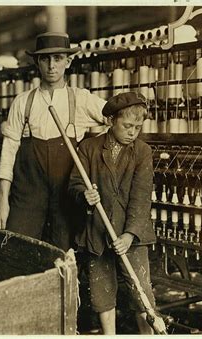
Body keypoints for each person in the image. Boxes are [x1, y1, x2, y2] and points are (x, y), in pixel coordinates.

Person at [0, 32, 107, 251]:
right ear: (37, 62)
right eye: (45, 59)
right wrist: (2, 201)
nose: (52, 65)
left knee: (64, 253)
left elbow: (116, 115)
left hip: (66, 195)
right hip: (28, 193)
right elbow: (8, 152)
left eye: (57, 58)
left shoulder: (80, 99)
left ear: (68, 61)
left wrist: (93, 151)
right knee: (17, 246)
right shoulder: (22, 102)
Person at [68, 92, 158, 334]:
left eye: (137, 127)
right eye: (127, 126)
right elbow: (75, 184)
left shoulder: (142, 152)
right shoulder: (89, 147)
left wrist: (130, 235)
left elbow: (141, 199)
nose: (132, 132)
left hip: (133, 236)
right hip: (97, 231)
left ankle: (148, 334)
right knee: (102, 292)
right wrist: (84, 196)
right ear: (111, 121)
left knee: (141, 292)